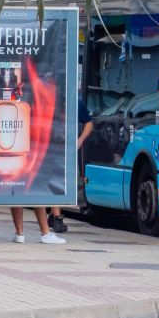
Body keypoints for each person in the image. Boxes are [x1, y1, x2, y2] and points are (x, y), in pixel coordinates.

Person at [48, 98, 95, 234]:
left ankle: (53, 215)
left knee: (64, 182)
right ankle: (57, 218)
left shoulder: (76, 102)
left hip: (68, 149)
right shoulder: (50, 101)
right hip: (52, 148)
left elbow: (89, 123)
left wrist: (79, 140)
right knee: (57, 181)